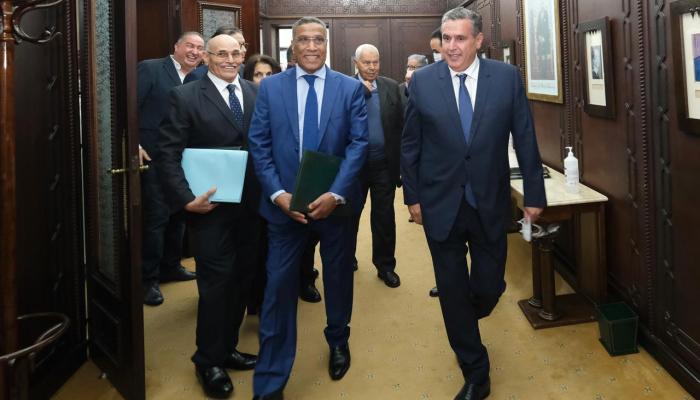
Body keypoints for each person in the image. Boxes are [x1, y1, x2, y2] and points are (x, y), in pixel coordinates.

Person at [401, 8, 546, 400]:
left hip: (489, 202)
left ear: (478, 40)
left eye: (460, 38)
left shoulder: (506, 78)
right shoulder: (423, 82)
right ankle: (475, 371)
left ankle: (468, 314)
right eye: (446, 39)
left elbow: (525, 136)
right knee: (451, 291)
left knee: (488, 287)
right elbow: (410, 144)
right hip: (439, 203)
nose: (451, 47)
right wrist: (412, 196)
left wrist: (534, 194)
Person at [248, 16, 368, 400]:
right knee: (278, 289)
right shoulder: (272, 88)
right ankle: (271, 381)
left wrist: (335, 194)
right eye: (304, 40)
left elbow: (358, 145)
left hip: (335, 208)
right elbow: (259, 145)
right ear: (293, 46)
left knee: (338, 278)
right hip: (284, 211)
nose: (312, 47)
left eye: (318, 40)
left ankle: (338, 339)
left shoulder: (349, 89)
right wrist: (276, 194)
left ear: (326, 45)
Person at [157, 34, 260, 399]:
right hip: (209, 210)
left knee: (242, 280)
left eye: (236, 53)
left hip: (252, 208)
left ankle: (227, 347)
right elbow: (167, 154)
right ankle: (207, 361)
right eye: (221, 54)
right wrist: (186, 200)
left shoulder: (254, 92)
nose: (230, 59)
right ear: (206, 58)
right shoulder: (184, 96)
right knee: (217, 285)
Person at [137, 32, 203, 306]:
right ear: (176, 46)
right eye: (190, 45)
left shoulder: (200, 78)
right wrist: (135, 144)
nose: (194, 51)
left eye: (199, 48)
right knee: (156, 219)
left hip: (185, 159)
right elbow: (129, 107)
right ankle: (148, 280)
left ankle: (171, 266)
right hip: (154, 157)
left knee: (179, 214)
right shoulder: (151, 69)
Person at [350, 43, 403, 288]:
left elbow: (401, 127)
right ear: (356, 63)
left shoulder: (391, 87)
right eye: (366, 62)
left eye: (375, 62)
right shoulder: (346, 87)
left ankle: (385, 266)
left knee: (384, 218)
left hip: (384, 165)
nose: (372, 67)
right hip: (354, 167)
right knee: (349, 216)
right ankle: (347, 258)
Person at [184, 27, 248, 83]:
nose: (244, 50)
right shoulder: (196, 76)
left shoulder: (246, 70)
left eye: (244, 45)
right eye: (238, 44)